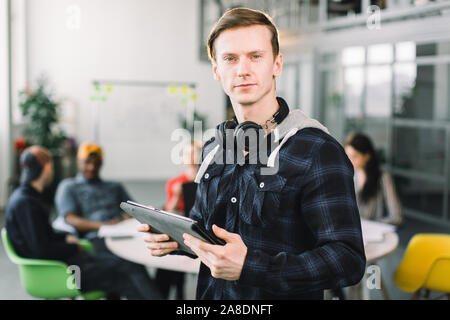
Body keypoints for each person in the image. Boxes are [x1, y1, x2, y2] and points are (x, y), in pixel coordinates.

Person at [138, 7, 366, 300]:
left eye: (255, 56)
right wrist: (176, 238)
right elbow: (206, 227)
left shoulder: (316, 150)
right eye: (230, 58)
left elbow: (348, 260)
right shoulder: (214, 146)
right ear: (217, 70)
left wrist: (252, 266)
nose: (243, 69)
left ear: (277, 64)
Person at [5, 146, 160, 299]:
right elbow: (40, 249)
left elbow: (41, 237)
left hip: (61, 265)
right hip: (64, 272)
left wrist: (64, 238)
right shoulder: (27, 204)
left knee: (126, 268)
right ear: (46, 168)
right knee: (126, 269)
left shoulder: (24, 198)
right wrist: (74, 247)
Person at [54, 142, 162, 299]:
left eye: (96, 163)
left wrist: (140, 215)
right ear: (78, 162)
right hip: (94, 240)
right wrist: (103, 226)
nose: (91, 167)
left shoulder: (114, 186)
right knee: (130, 266)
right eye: (87, 163)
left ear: (101, 164)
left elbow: (133, 210)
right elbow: (70, 218)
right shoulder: (69, 186)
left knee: (145, 259)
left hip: (122, 235)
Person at [154, 140, 203, 300]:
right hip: (182, 226)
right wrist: (176, 195)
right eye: (187, 153)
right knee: (167, 263)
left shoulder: (208, 180)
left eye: (194, 152)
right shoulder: (175, 183)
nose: (190, 156)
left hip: (202, 228)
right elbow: (169, 212)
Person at [344, 133, 402, 226]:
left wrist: (374, 224)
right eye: (347, 156)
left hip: (374, 232)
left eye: (354, 156)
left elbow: (396, 216)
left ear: (367, 156)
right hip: (352, 232)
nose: (349, 160)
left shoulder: (383, 178)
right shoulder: (347, 176)